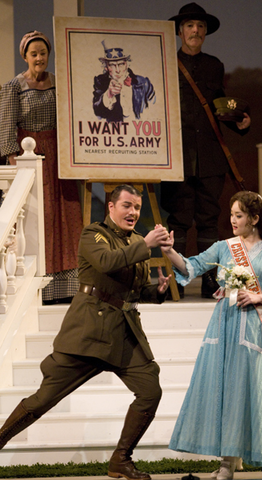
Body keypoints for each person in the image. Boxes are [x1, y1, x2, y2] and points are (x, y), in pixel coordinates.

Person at [0, 184, 171, 480]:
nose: (133, 212)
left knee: (149, 390)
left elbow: (132, 287)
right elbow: (106, 263)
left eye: (137, 208)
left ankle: (121, 460)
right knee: (43, 400)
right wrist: (146, 245)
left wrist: (157, 290)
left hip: (125, 333)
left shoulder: (136, 240)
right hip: (90, 333)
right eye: (127, 206)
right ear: (111, 207)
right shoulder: (93, 234)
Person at [161, 191, 262, 479]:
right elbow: (191, 267)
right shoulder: (224, 247)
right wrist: (170, 251)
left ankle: (231, 459)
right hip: (222, 325)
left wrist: (259, 298)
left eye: (239, 215)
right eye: (231, 214)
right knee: (220, 388)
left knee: (241, 391)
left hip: (252, 330)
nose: (232, 220)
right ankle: (227, 460)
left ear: (255, 219)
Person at [161, 3, 251, 298]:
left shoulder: (215, 65)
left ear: (205, 32)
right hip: (176, 157)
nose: (195, 31)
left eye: (200, 26)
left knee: (209, 220)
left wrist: (240, 123)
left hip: (210, 157)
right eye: (189, 26)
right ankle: (176, 279)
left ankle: (210, 280)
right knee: (179, 219)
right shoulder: (164, 63)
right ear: (179, 31)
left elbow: (219, 106)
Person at [0, 30, 83, 304]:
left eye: (43, 53)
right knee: (39, 216)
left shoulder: (59, 83)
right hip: (30, 157)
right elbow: (5, 129)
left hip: (59, 156)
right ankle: (39, 287)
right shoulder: (14, 86)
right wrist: (17, 165)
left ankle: (67, 286)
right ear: (24, 56)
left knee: (66, 216)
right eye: (33, 54)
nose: (39, 58)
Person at [93, 43, 155, 122]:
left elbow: (155, 109)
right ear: (106, 68)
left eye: (121, 64)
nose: (117, 70)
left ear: (127, 64)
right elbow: (97, 112)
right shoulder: (100, 81)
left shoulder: (143, 83)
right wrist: (109, 94)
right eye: (112, 65)